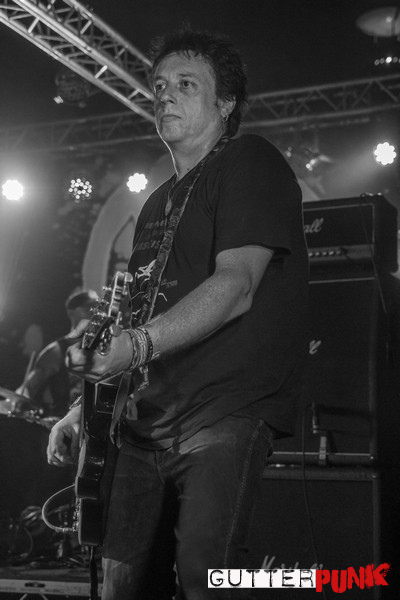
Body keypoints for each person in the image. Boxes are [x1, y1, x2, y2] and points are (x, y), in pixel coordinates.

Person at [47, 27, 309, 600]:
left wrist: (135, 346)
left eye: (186, 84)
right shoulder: (155, 202)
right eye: (160, 84)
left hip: (223, 410)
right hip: (145, 420)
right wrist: (84, 406)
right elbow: (139, 312)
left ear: (226, 103)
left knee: (203, 577)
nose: (165, 93)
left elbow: (237, 284)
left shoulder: (249, 160)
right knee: (119, 583)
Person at [16, 289, 98, 417]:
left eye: (98, 309)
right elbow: (27, 389)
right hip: (61, 423)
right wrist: (16, 402)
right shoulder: (57, 350)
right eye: (88, 308)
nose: (94, 313)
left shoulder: (103, 349)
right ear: (71, 313)